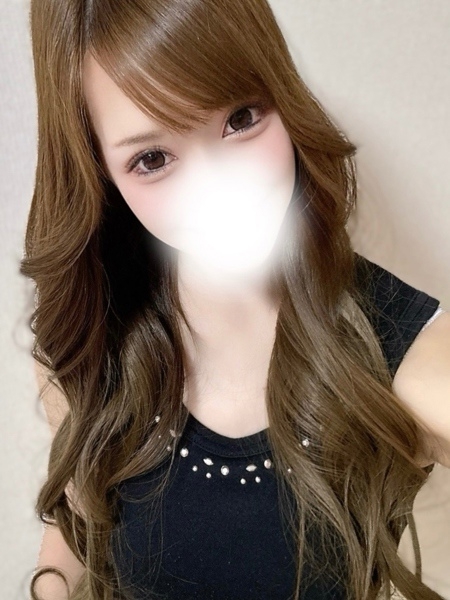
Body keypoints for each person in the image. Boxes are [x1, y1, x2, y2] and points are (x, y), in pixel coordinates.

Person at [21, 1, 449, 599]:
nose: (220, 189)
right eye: (152, 159)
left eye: (241, 118)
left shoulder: (407, 355)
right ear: (101, 176)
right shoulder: (86, 344)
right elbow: (79, 523)